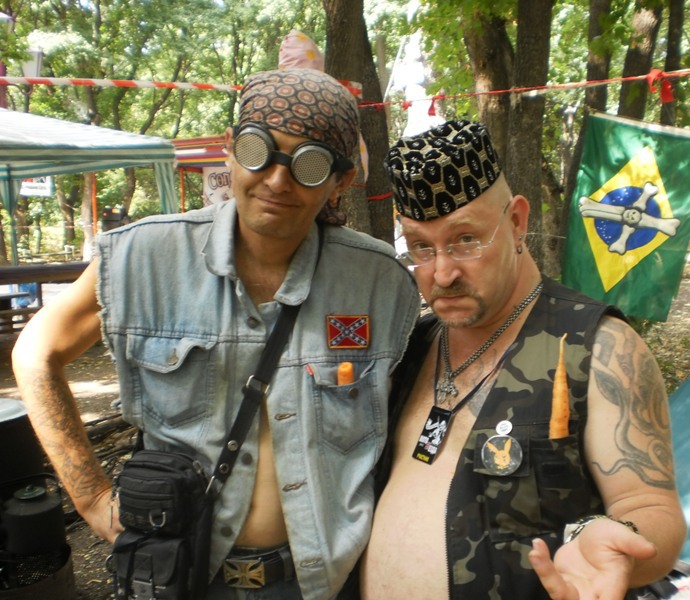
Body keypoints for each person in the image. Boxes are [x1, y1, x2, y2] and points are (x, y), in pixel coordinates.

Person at [12, 68, 420, 600]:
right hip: (183, 575)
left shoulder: (381, 284)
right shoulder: (143, 259)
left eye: (309, 164)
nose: (277, 180)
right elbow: (36, 353)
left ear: (340, 181)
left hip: (326, 581)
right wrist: (91, 497)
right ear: (230, 150)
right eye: (258, 150)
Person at [359, 120, 686, 599]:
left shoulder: (598, 347)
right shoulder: (412, 345)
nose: (442, 273)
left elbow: (650, 506)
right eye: (421, 247)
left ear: (516, 221)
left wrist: (616, 546)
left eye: (465, 239)